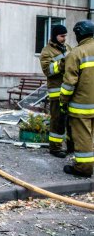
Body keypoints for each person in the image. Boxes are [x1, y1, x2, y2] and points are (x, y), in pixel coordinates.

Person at [60, 20, 94, 177]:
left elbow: (69, 84)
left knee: (83, 138)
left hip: (82, 105)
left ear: (79, 34)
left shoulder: (76, 53)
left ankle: (84, 169)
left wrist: (63, 101)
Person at [39, 25, 72, 158]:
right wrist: (64, 62)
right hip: (57, 93)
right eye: (61, 36)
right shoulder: (46, 51)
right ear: (54, 36)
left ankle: (71, 146)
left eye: (65, 36)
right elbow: (48, 71)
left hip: (69, 91)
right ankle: (55, 148)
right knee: (58, 120)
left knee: (71, 121)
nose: (64, 39)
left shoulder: (68, 48)